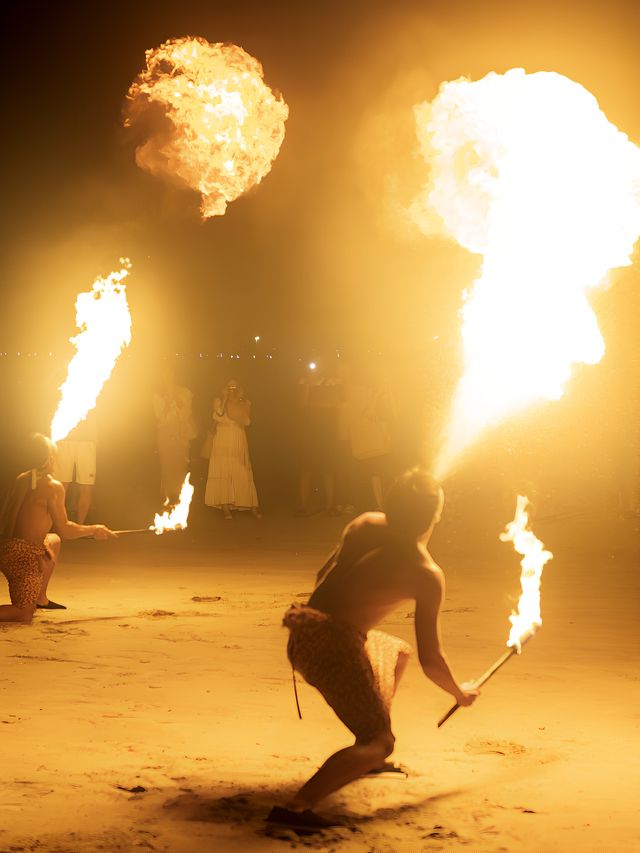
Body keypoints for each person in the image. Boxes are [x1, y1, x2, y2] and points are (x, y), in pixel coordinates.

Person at [269, 468, 479, 830]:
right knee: (382, 741)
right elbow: (433, 659)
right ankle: (297, 806)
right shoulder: (425, 572)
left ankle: (364, 755)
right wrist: (459, 694)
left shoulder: (364, 523)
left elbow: (322, 576)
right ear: (435, 516)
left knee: (396, 652)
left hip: (302, 629)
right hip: (332, 646)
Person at [0, 434, 116, 623]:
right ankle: (30, 602)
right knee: (23, 613)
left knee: (52, 540)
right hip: (22, 557)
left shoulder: (21, 478)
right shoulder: (52, 487)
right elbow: (66, 530)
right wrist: (95, 529)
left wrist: (36, 546)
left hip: (4, 547)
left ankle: (40, 598)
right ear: (48, 459)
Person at [204, 380, 260, 520]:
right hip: (222, 438)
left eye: (234, 387)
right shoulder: (218, 401)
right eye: (229, 386)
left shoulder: (245, 402)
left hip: (237, 437)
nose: (231, 390)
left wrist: (238, 401)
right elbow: (219, 415)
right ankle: (225, 507)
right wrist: (225, 399)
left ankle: (250, 505)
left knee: (241, 469)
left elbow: (246, 421)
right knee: (223, 470)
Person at [153, 366, 197, 502]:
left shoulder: (185, 392)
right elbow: (159, 417)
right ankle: (166, 498)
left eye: (170, 373)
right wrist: (167, 402)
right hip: (165, 433)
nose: (168, 377)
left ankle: (179, 496)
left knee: (180, 465)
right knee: (167, 465)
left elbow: (187, 413)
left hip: (181, 433)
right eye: (164, 374)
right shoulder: (157, 395)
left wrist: (179, 404)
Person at [55, 411, 97, 523]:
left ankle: (80, 525)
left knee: (86, 487)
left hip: (87, 441)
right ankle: (58, 524)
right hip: (65, 440)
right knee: (61, 486)